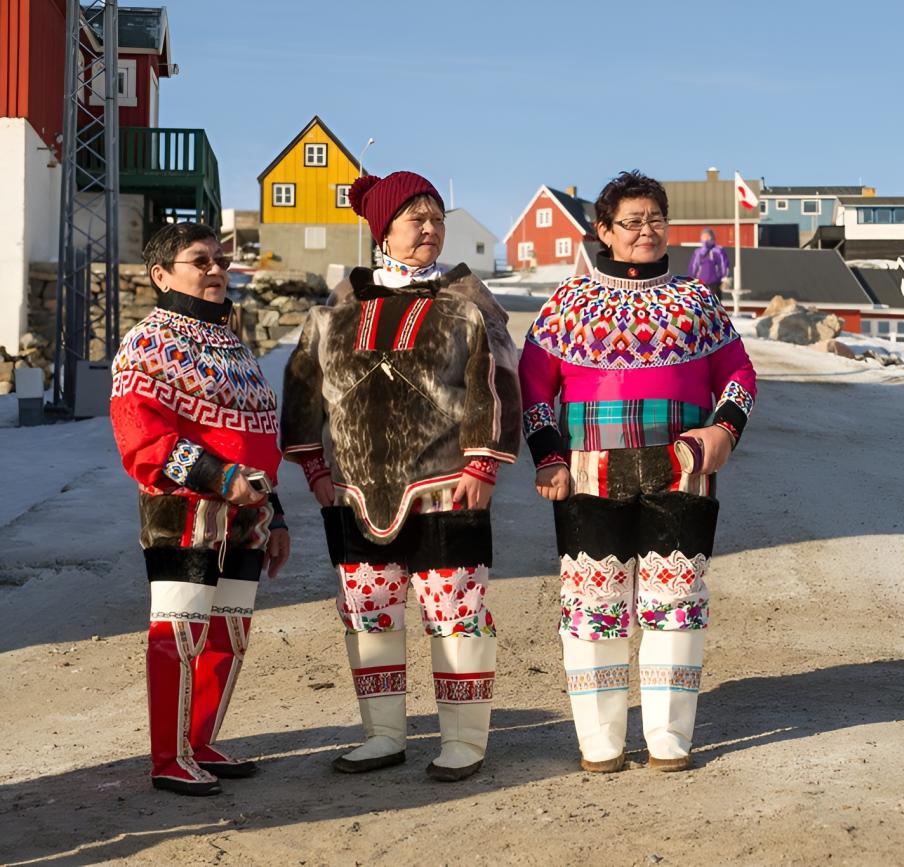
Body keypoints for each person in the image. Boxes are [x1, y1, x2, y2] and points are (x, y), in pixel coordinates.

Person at [280, 171, 521, 781]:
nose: (431, 229)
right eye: (416, 219)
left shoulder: (466, 300)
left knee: (456, 610)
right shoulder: (337, 310)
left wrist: (484, 463)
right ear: (382, 230)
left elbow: (499, 381)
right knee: (369, 610)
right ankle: (384, 733)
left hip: (446, 485)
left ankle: (464, 739)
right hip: (354, 491)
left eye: (437, 218)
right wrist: (314, 468)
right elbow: (304, 389)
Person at [519, 171, 757, 773]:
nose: (646, 230)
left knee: (676, 603)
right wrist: (547, 455)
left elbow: (741, 375)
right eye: (632, 221)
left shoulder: (699, 302)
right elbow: (534, 385)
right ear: (604, 231)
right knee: (593, 607)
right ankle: (600, 743)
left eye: (655, 218)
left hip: (682, 471)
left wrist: (724, 430)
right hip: (587, 470)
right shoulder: (565, 305)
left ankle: (668, 741)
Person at [110, 222, 291, 796]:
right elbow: (141, 435)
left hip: (246, 513)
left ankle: (200, 739)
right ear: (161, 274)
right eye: (200, 260)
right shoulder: (147, 342)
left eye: (220, 259)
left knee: (228, 633)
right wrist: (221, 477)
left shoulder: (233, 342)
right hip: (184, 506)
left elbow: (258, 436)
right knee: (179, 631)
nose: (217, 269)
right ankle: (168, 756)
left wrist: (275, 513)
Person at [687, 228, 730, 297]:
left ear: (712, 237)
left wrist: (725, 278)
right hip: (700, 283)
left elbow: (724, 265)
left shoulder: (718, 250)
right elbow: (693, 267)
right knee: (702, 303)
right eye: (704, 237)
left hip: (715, 283)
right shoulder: (698, 252)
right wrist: (691, 280)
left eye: (708, 237)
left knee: (715, 304)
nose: (706, 239)